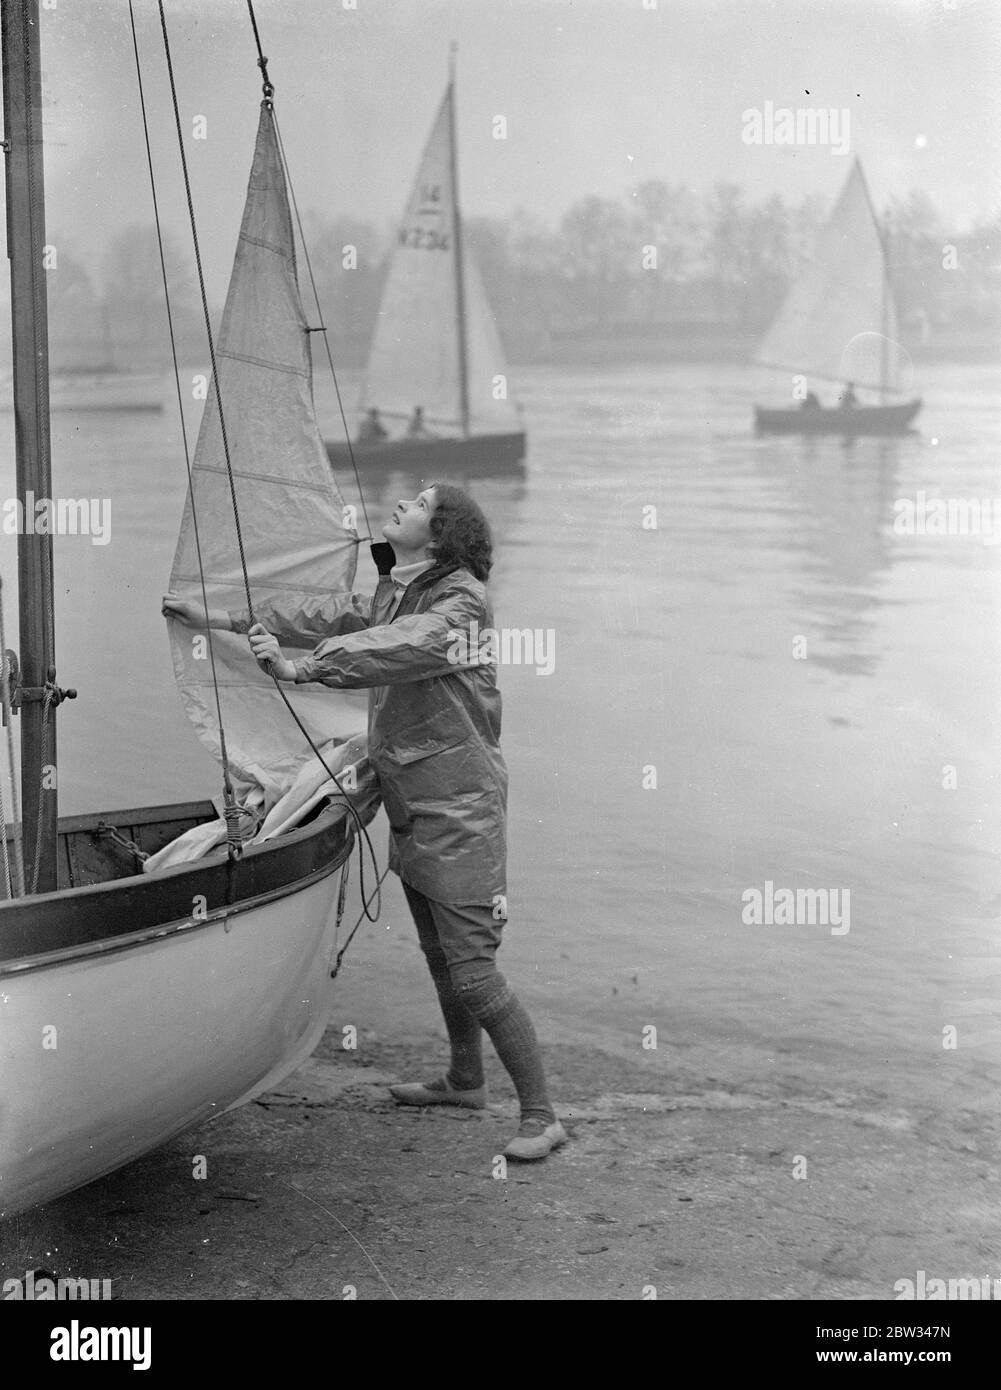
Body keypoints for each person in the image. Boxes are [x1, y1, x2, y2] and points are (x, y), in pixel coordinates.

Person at [161, 485, 566, 1162]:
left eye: (417, 502)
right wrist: (219, 616)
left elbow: (400, 646)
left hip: (459, 804)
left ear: (438, 536)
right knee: (438, 953)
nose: (400, 502)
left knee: (472, 968)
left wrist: (302, 669)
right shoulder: (397, 587)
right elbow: (328, 612)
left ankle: (542, 1116)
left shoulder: (459, 602)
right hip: (414, 796)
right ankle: (465, 1080)